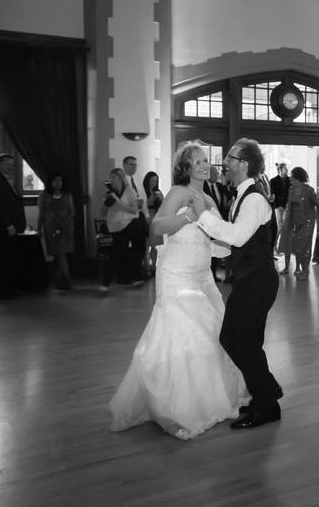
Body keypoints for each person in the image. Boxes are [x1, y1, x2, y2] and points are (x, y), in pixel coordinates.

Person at [109, 141, 249, 439]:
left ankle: (211, 397)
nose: (204, 164)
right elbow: (157, 227)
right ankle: (179, 407)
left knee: (214, 333)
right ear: (185, 167)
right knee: (184, 335)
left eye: (205, 160)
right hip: (176, 274)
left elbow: (217, 238)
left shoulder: (208, 195)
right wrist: (189, 216)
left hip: (202, 275)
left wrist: (232, 244)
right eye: (197, 161)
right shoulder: (179, 192)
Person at [190, 138, 284, 429]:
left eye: (229, 158)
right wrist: (203, 246)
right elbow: (233, 245)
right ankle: (265, 395)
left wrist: (202, 216)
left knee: (238, 341)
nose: (224, 164)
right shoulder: (243, 196)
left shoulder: (254, 198)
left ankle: (267, 403)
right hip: (249, 281)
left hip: (258, 282)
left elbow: (238, 236)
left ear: (243, 164)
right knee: (245, 341)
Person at [0, 153, 26, 297]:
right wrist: (8, 225)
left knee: (8, 259)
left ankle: (7, 289)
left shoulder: (6, 180)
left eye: (12, 165)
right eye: (7, 164)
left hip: (8, 227)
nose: (11, 167)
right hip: (0, 227)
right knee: (0, 260)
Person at [278, 167, 319, 281]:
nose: (290, 178)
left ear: (297, 178)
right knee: (297, 247)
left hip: (307, 222)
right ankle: (299, 269)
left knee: (304, 247)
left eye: (292, 176)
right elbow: (289, 206)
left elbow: (318, 205)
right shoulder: (291, 189)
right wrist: (286, 222)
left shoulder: (309, 190)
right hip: (294, 222)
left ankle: (305, 271)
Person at [99, 168, 140, 291]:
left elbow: (135, 210)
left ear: (121, 178)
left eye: (114, 178)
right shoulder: (109, 193)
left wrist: (119, 202)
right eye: (110, 178)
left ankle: (105, 283)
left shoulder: (129, 191)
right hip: (115, 226)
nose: (111, 180)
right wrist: (106, 204)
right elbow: (102, 213)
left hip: (128, 224)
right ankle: (137, 277)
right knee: (124, 252)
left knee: (115, 252)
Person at [37, 172, 74, 290]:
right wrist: (39, 229)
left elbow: (72, 211)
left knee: (62, 253)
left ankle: (66, 280)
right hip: (50, 228)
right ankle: (60, 280)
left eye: (60, 180)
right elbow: (41, 213)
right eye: (55, 180)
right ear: (50, 182)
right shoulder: (43, 195)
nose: (59, 183)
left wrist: (65, 223)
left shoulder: (67, 195)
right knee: (57, 255)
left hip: (66, 228)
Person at [122, 155, 148, 284]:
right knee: (128, 248)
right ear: (125, 165)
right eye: (131, 164)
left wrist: (147, 216)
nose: (134, 167)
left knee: (140, 247)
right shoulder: (122, 182)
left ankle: (138, 274)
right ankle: (128, 276)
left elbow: (143, 199)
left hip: (140, 217)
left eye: (135, 165)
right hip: (128, 219)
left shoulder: (137, 181)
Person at [143, 171, 164, 276]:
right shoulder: (144, 191)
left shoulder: (158, 191)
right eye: (151, 181)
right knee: (147, 244)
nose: (153, 183)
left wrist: (161, 199)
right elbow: (142, 205)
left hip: (156, 216)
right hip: (147, 216)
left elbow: (163, 205)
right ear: (147, 181)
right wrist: (151, 199)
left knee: (155, 245)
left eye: (155, 181)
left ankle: (154, 266)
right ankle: (146, 267)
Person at [270, 163, 291, 254]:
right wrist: (277, 204)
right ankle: (274, 247)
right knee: (279, 227)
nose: (287, 170)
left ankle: (283, 248)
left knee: (285, 227)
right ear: (280, 170)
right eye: (285, 169)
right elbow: (272, 194)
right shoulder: (273, 180)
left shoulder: (289, 180)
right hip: (278, 206)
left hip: (287, 206)